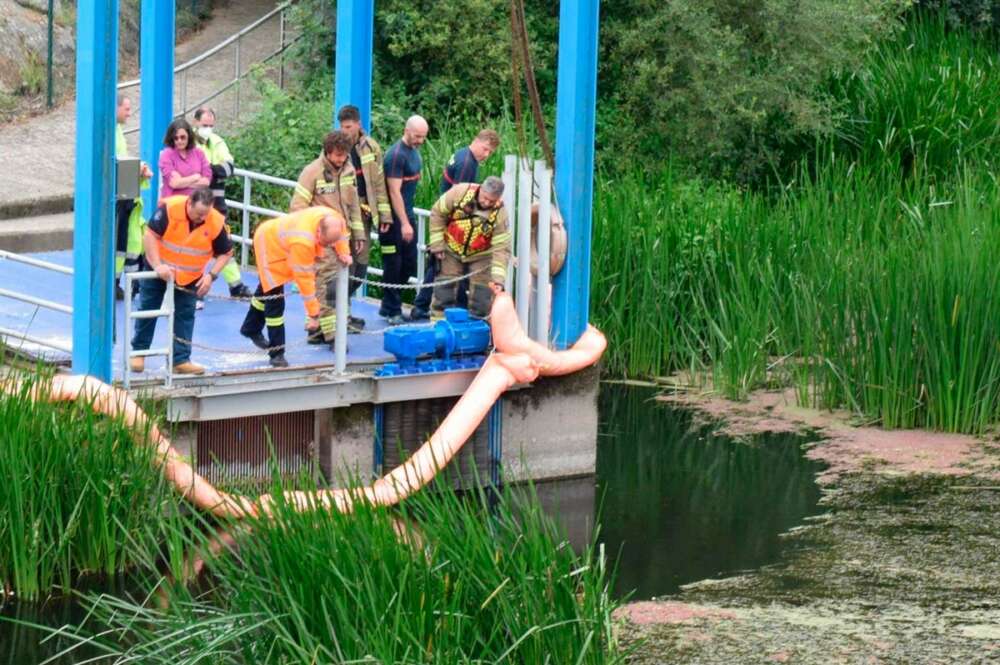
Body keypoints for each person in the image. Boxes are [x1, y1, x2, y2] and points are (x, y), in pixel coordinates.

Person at [129, 188, 233, 376]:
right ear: (189, 203)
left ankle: (180, 360)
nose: (201, 218)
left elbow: (226, 252)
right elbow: (150, 235)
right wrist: (158, 265)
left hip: (190, 276)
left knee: (185, 316)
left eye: (205, 214)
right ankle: (139, 353)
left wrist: (211, 276)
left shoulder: (215, 221)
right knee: (148, 309)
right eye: (198, 213)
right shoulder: (170, 209)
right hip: (159, 269)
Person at [239, 207, 352, 368]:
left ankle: (250, 328)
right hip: (269, 246)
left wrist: (344, 252)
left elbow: (341, 238)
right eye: (326, 243)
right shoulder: (303, 242)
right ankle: (277, 353)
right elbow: (305, 280)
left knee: (265, 289)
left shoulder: (336, 219)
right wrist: (313, 314)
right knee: (274, 299)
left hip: (281, 240)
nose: (329, 246)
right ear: (318, 231)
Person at [411, 128, 501, 320]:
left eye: (489, 152)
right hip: (455, 228)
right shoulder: (468, 164)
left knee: (437, 267)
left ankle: (421, 305)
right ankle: (436, 308)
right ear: (477, 141)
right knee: (448, 272)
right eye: (485, 149)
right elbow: (464, 201)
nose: (486, 155)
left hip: (447, 222)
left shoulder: (461, 155)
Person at [290, 130, 365, 343]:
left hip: (344, 238)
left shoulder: (349, 169)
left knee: (339, 283)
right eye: (337, 155)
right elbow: (298, 206)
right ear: (327, 152)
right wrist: (312, 235)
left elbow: (354, 206)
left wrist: (359, 234)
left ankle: (320, 330)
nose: (341, 160)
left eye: (344, 155)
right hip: (322, 241)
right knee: (327, 285)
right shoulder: (312, 172)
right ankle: (331, 334)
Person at [191, 106, 253, 300]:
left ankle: (236, 286)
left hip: (217, 203)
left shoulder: (218, 142)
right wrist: (213, 171)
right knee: (195, 243)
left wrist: (208, 171)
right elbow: (192, 170)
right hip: (195, 202)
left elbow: (228, 168)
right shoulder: (188, 142)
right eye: (204, 124)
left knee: (224, 242)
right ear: (196, 122)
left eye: (210, 125)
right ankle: (194, 284)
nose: (207, 128)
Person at [337, 104, 393, 318]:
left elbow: (378, 183)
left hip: (365, 212)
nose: (345, 131)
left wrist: (384, 214)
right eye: (342, 127)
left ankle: (342, 310)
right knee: (344, 264)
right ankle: (340, 314)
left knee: (360, 266)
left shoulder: (371, 147)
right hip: (343, 214)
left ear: (359, 124)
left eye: (349, 127)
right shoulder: (336, 147)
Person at [428, 176, 510, 320]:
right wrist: (437, 245)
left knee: (482, 297)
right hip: (451, 248)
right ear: (480, 189)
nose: (486, 203)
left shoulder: (500, 214)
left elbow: (501, 248)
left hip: (482, 255)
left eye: (491, 201)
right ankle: (438, 326)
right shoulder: (460, 193)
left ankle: (478, 330)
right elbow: (437, 213)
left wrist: (498, 280)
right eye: (484, 198)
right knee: (443, 291)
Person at [380, 115, 428, 325]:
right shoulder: (396, 155)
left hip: (407, 214)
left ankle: (387, 303)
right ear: (406, 131)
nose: (420, 140)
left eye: (423, 137)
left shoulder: (414, 153)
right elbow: (394, 191)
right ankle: (392, 310)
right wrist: (404, 223)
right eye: (417, 136)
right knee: (393, 264)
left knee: (409, 264)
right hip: (392, 221)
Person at [114, 93, 152, 300]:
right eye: (127, 109)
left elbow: (120, 159)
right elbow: (115, 161)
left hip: (126, 197)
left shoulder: (118, 130)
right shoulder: (111, 131)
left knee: (128, 245)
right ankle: (116, 283)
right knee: (120, 245)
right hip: (119, 197)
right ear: (116, 108)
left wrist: (139, 169)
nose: (130, 113)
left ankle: (125, 284)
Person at [158, 118, 211, 200]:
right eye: (176, 138)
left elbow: (206, 182)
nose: (179, 141)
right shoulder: (166, 155)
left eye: (183, 137)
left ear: (189, 136)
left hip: (195, 205)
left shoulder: (199, 153)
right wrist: (195, 177)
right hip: (173, 204)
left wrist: (182, 181)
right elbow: (174, 183)